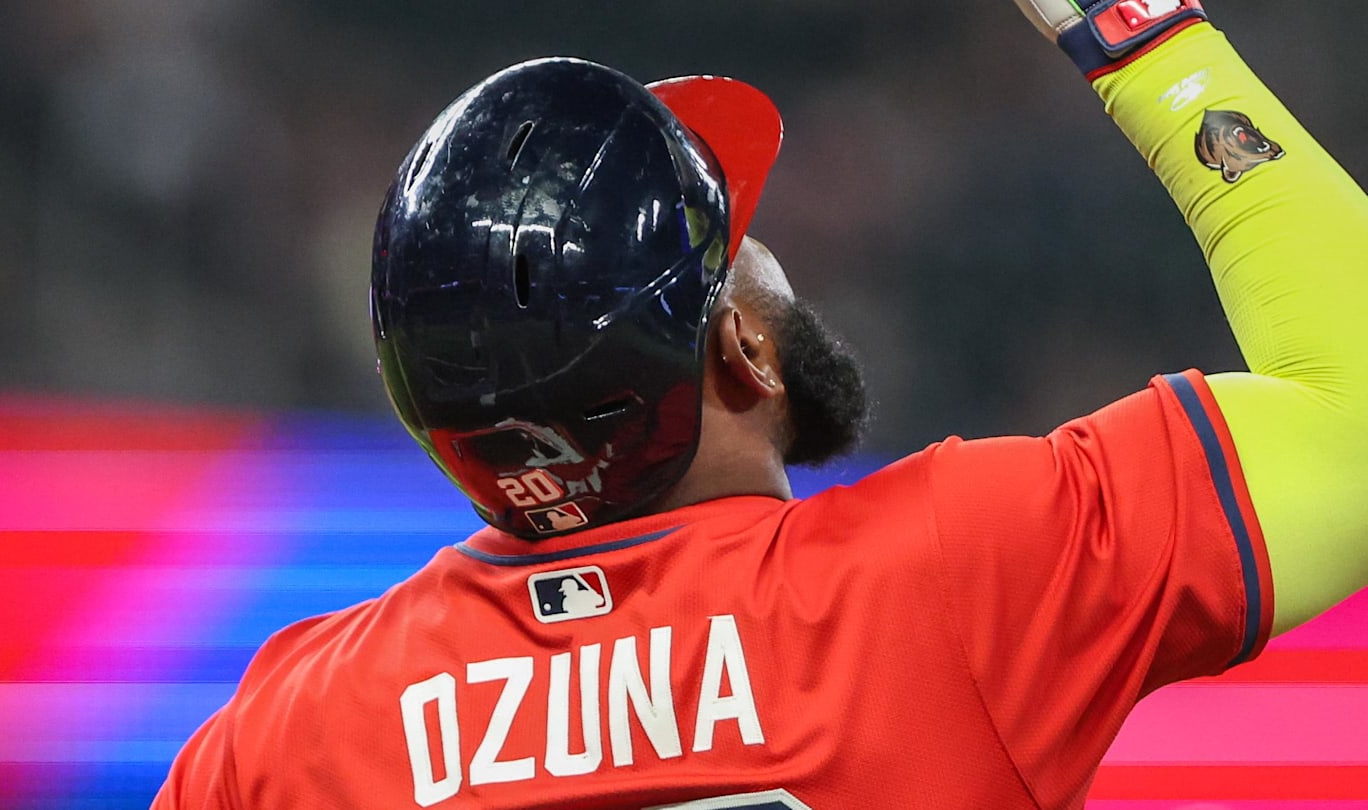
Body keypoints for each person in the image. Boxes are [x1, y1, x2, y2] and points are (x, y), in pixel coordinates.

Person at [154, 0, 1368, 806]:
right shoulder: (940, 580)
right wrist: (1146, 35)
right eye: (742, 237)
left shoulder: (288, 734)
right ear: (743, 349)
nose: (772, 251)